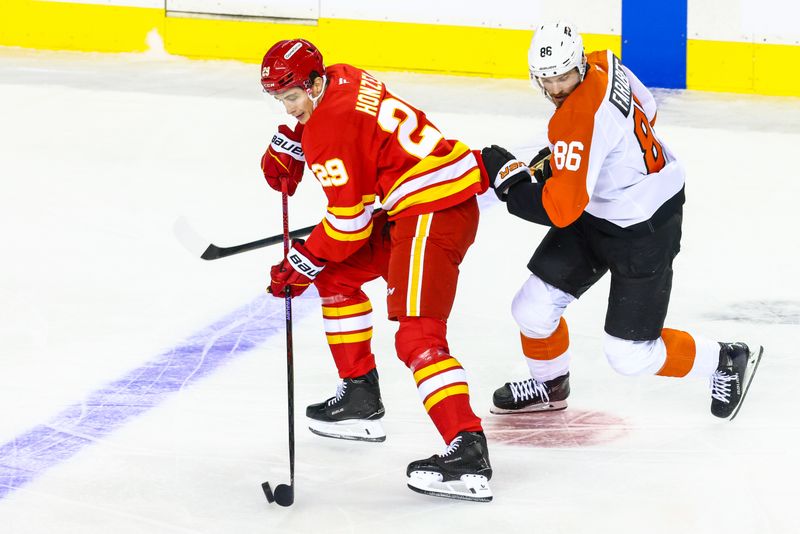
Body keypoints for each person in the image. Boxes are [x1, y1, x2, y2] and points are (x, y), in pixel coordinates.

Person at [480, 22, 763, 420]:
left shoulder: (574, 122)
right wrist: (592, 158)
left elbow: (561, 210)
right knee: (531, 309)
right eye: (549, 80)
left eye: (564, 76)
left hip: (646, 228)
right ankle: (549, 384)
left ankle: (726, 359)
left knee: (629, 355)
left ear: (578, 64)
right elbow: (649, 108)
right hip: (602, 211)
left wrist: (512, 184)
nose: (558, 88)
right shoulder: (606, 63)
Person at [259, 38, 492, 501]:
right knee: (336, 277)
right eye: (281, 102)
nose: (290, 110)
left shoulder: (328, 128)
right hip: (420, 200)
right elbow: (351, 136)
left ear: (315, 83)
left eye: (292, 99)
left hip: (435, 211)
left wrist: (302, 260)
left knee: (417, 337)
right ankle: (361, 398)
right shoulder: (343, 74)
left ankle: (468, 449)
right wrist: (293, 140)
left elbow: (348, 226)